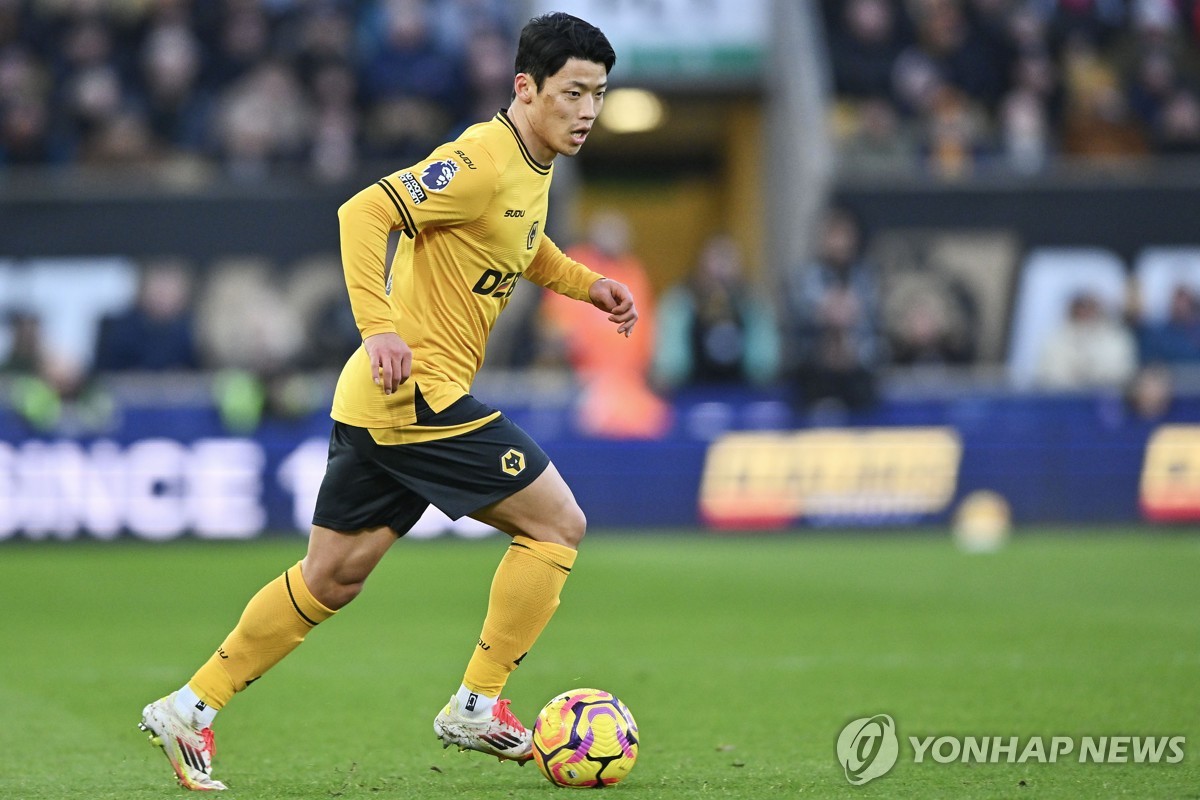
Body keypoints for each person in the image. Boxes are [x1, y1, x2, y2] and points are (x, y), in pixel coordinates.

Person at [137, 13, 635, 791]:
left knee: (331, 577)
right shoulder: (479, 158)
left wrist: (585, 284)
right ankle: (478, 703)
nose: (587, 111)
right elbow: (363, 212)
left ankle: (189, 707)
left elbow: (519, 242)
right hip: (418, 394)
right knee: (557, 525)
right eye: (573, 92)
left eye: (598, 95)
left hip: (379, 405)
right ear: (525, 88)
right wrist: (379, 330)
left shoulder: (530, 167)